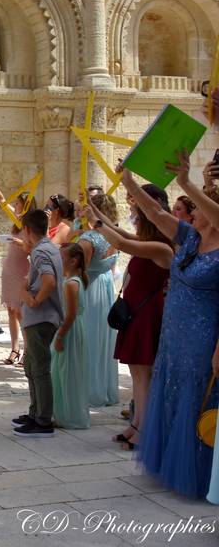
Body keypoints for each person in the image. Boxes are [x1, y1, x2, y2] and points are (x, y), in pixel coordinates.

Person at [124, 154, 219, 499]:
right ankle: (169, 464)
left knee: (196, 398)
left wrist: (187, 181)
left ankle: (201, 472)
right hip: (173, 334)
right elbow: (155, 214)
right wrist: (130, 183)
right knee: (172, 393)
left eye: (199, 209)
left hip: (203, 336)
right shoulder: (190, 239)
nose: (193, 213)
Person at [81, 185, 172, 451]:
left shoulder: (161, 247)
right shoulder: (147, 243)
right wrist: (95, 210)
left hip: (147, 316)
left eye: (138, 217)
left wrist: (96, 222)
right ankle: (136, 424)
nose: (134, 219)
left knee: (144, 375)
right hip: (135, 314)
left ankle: (144, 428)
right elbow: (120, 233)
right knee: (137, 374)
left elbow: (120, 242)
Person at [12, 209, 63, 438]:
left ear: (28, 230)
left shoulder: (41, 251)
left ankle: (43, 420)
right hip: (41, 318)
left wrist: (33, 300)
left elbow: (49, 281)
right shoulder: (48, 248)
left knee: (40, 369)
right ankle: (35, 412)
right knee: (32, 367)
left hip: (41, 318)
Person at [0, 166, 33, 366]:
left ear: (26, 205)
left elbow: (35, 247)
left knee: (21, 312)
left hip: (22, 271)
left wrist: (21, 243)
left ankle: (28, 351)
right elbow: (2, 201)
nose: (15, 205)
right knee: (11, 311)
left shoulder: (32, 223)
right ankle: (15, 348)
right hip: (10, 270)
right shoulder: (16, 220)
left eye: (19, 203)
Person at [78, 193, 120, 408]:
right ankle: (102, 387)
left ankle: (86, 389)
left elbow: (80, 271)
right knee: (100, 338)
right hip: (105, 286)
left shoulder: (90, 238)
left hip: (90, 287)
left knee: (88, 338)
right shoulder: (114, 235)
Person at [51, 243, 90, 429]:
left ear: (73, 261)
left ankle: (68, 416)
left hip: (70, 331)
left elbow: (71, 314)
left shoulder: (71, 284)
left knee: (66, 372)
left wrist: (59, 335)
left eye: (61, 258)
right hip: (75, 329)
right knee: (66, 371)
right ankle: (64, 413)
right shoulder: (75, 281)